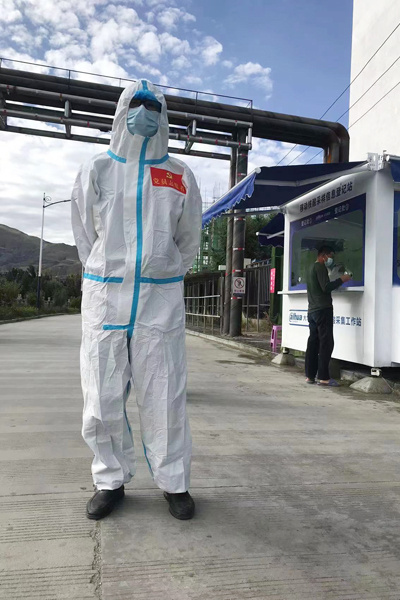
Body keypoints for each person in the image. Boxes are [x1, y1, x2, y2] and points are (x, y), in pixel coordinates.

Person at [71, 79, 202, 521]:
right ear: (122, 110)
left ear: (163, 116)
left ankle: (174, 483)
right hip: (106, 296)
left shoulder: (179, 175)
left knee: (165, 393)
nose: (143, 112)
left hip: (157, 300)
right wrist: (103, 271)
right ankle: (110, 480)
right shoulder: (97, 168)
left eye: (152, 105)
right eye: (136, 103)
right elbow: (83, 232)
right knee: (101, 395)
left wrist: (162, 272)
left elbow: (189, 238)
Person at [304, 245, 351, 387]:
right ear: (323, 255)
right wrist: (342, 279)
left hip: (312, 310)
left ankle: (310, 375)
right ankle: (324, 378)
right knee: (326, 343)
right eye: (330, 256)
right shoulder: (320, 267)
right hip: (323, 310)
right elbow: (326, 287)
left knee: (313, 342)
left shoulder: (310, 268)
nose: (331, 259)